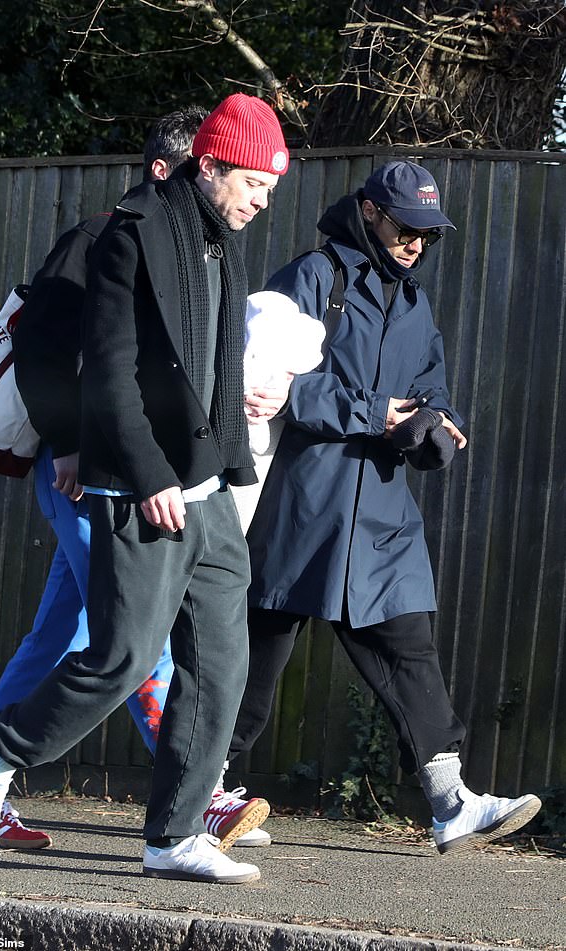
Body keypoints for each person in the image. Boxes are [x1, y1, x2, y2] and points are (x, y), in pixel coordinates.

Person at [0, 93, 290, 884]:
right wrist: (145, 475)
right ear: (209, 166)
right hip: (137, 484)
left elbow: (207, 364)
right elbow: (107, 371)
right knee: (120, 654)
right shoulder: (125, 236)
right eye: (253, 183)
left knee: (221, 658)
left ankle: (173, 834)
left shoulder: (221, 241)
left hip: (204, 487)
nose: (261, 201)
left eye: (269, 187)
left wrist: (234, 455)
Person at [220, 161, 542, 856]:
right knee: (251, 666)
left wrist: (437, 430)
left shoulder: (416, 302)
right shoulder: (314, 278)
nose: (417, 243)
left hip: (382, 519)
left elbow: (434, 390)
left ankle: (451, 801)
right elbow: (261, 382)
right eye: (407, 227)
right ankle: (197, 793)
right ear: (370, 212)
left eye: (428, 233)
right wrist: (372, 411)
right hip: (302, 509)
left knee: (411, 652)